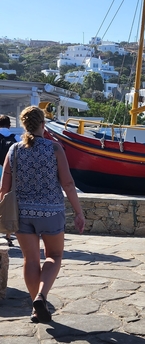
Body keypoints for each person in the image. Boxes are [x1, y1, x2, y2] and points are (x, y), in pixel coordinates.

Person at [0, 106, 85, 323]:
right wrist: (78, 212)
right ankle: (41, 296)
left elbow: (4, 188)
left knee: (30, 260)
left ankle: (37, 309)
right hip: (51, 213)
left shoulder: (14, 150)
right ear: (42, 125)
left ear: (24, 124)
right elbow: (67, 182)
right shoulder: (54, 148)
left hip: (22, 214)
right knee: (54, 256)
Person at [0, 114, 21, 246]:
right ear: (9, 125)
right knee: (8, 202)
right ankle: (8, 235)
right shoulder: (15, 138)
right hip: (8, 174)